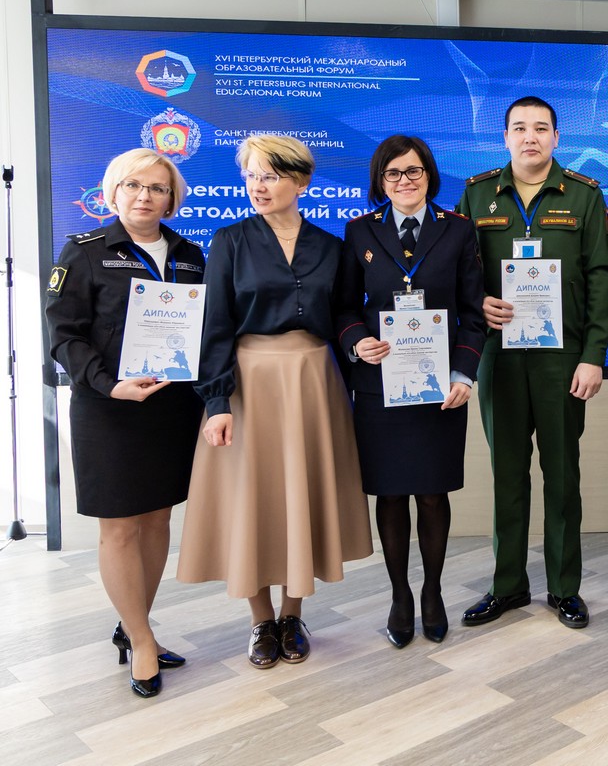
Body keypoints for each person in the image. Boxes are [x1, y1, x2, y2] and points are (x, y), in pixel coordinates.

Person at [177, 134, 373, 668]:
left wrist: (361, 345)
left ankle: (293, 615)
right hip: (250, 382)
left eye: (270, 176)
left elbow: (344, 316)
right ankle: (260, 620)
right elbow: (215, 326)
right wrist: (216, 402)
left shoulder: (331, 246)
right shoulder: (229, 241)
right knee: (256, 498)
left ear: (301, 181)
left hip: (313, 381)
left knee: (300, 496)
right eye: (251, 176)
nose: (258, 187)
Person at [45, 148, 204, 698]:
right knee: (119, 527)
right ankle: (141, 640)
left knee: (157, 520)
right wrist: (109, 383)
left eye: (158, 188)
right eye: (134, 185)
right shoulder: (84, 251)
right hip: (108, 408)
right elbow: (64, 336)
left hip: (171, 409)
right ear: (113, 193)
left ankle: (134, 624)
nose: (145, 196)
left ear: (172, 198)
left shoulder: (190, 255)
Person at [456, 97, 608, 629]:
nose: (531, 137)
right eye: (520, 128)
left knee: (562, 475)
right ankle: (508, 586)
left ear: (556, 138)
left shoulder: (584, 195)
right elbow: (459, 273)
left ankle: (564, 588)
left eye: (541, 128)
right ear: (505, 137)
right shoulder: (477, 194)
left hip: (561, 358)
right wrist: (478, 302)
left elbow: (601, 279)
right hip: (498, 356)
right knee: (507, 475)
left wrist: (594, 356)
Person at [335, 135, 485, 648]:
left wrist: (464, 374)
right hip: (380, 385)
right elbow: (343, 308)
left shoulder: (458, 229)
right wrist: (357, 342)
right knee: (392, 492)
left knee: (432, 492)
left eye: (414, 171)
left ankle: (432, 592)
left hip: (439, 385)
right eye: (394, 173)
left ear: (429, 175)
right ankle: (400, 594)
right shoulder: (359, 231)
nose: (405, 181)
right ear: (381, 180)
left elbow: (473, 312)